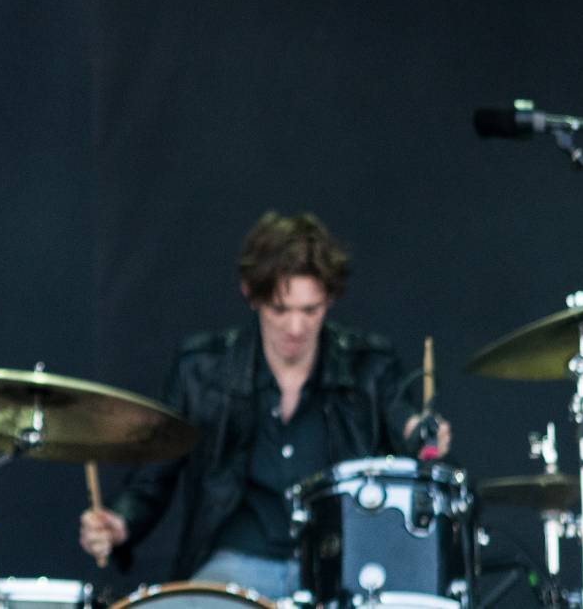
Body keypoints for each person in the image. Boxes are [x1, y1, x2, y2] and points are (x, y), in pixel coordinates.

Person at [78, 212, 450, 597]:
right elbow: (153, 478)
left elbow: (405, 433)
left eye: (311, 310)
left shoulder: (371, 366)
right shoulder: (202, 370)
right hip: (236, 560)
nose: (295, 328)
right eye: (280, 309)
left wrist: (421, 437)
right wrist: (120, 522)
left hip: (339, 564)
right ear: (250, 295)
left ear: (331, 299)